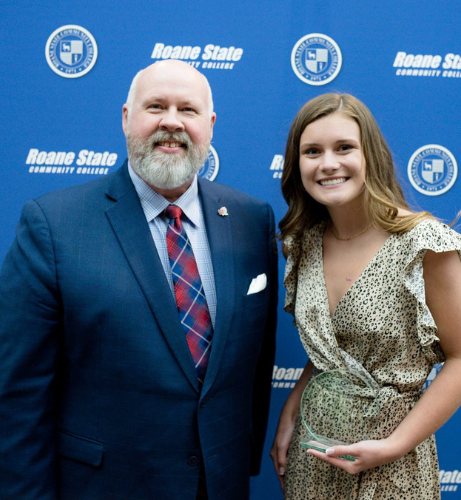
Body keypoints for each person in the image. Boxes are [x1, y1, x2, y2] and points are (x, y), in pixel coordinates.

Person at [0, 60, 277, 500]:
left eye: (187, 109)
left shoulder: (250, 219)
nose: (172, 121)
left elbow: (254, 368)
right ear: (127, 118)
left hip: (220, 484)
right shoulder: (53, 224)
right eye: (155, 106)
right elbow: (18, 398)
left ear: (210, 124)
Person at [270, 93, 461, 499]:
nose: (328, 163)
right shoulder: (304, 244)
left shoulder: (423, 244)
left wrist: (393, 447)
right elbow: (334, 353)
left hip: (392, 463)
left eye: (344, 147)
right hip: (311, 455)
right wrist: (291, 410)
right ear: (297, 167)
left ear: (370, 154)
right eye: (312, 151)